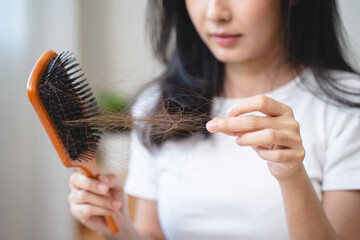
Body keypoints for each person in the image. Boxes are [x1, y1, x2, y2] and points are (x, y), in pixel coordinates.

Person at [67, 0, 360, 239]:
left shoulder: (348, 105)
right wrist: (119, 229)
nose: (215, 13)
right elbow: (152, 234)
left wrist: (292, 176)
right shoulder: (157, 105)